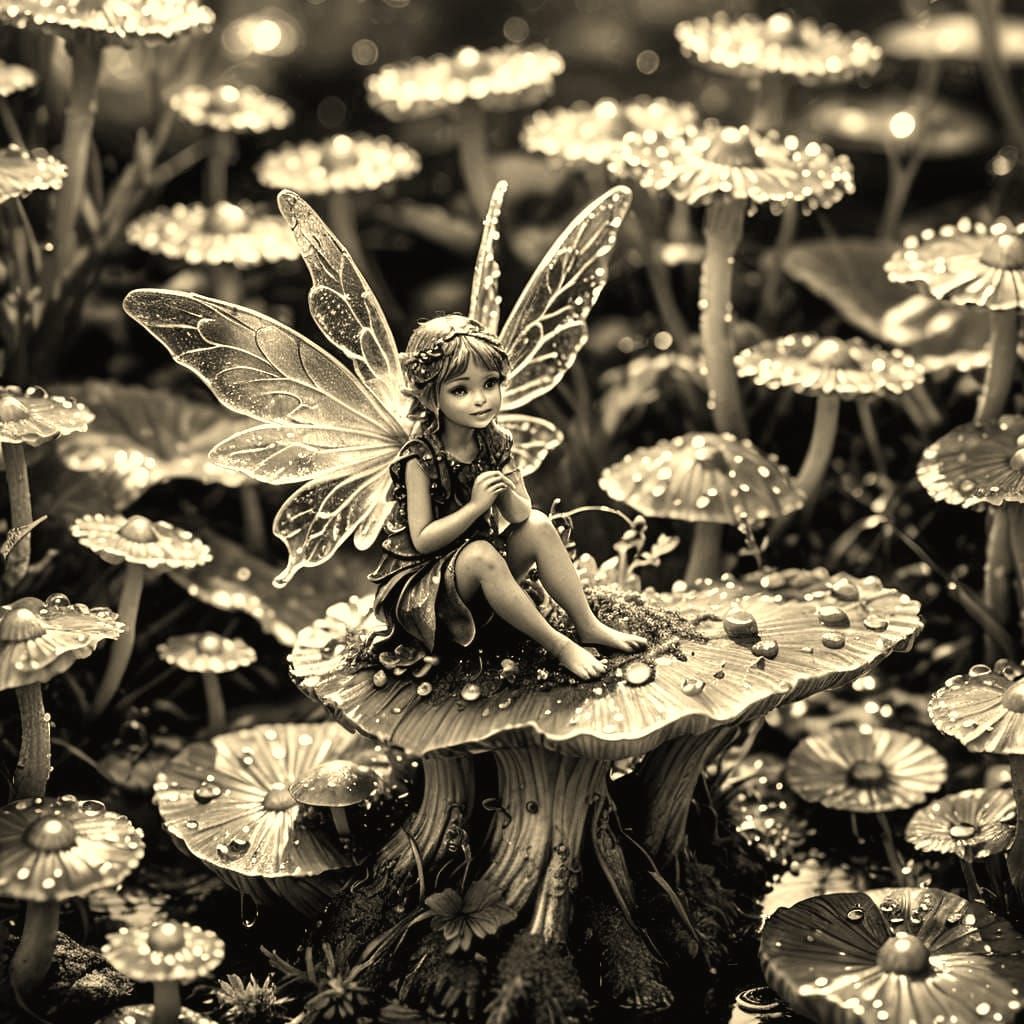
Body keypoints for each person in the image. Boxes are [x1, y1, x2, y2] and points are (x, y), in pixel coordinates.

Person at [369, 314, 647, 680]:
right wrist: (476, 507)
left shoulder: (493, 440)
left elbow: (520, 515)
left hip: (483, 563)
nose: (481, 400)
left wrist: (506, 485)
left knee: (538, 525)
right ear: (431, 396)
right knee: (482, 555)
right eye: (460, 390)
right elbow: (422, 541)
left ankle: (587, 624)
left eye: (490, 383)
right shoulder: (419, 460)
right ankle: (561, 646)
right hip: (427, 587)